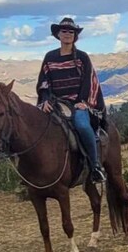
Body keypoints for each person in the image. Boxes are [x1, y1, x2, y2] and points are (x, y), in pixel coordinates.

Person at [36, 17, 107, 184]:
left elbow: (89, 81)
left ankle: (95, 166)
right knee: (35, 126)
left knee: (82, 125)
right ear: (58, 34)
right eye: (64, 31)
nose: (67, 34)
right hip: (55, 103)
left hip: (77, 103)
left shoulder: (82, 57)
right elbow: (44, 82)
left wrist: (83, 101)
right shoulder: (50, 57)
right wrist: (45, 100)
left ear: (75, 36)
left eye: (71, 32)